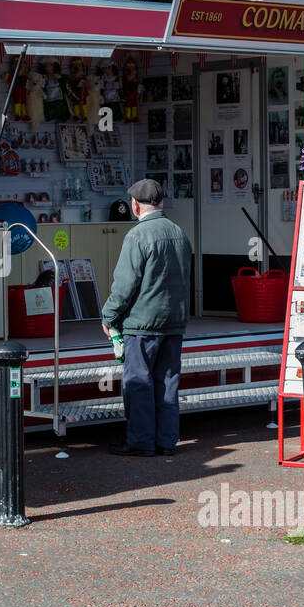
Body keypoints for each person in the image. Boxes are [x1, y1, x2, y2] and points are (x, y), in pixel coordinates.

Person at [101, 179, 194, 457]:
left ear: (134, 205)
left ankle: (141, 441)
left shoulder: (138, 236)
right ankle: (167, 441)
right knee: (167, 382)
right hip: (174, 322)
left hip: (142, 324)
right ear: (161, 202)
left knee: (139, 384)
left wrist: (109, 316)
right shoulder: (179, 233)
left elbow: (125, 284)